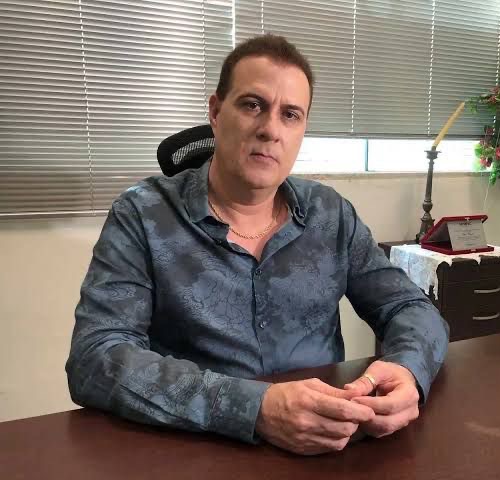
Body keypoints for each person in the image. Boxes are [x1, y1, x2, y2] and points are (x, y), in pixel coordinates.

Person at [66, 34, 449, 456]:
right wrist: (254, 408)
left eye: (290, 115)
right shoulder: (143, 215)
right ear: (216, 112)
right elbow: (95, 356)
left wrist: (407, 369)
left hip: (330, 446)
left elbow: (409, 307)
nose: (270, 130)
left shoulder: (330, 215)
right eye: (252, 105)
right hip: (198, 450)